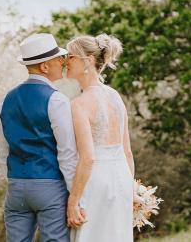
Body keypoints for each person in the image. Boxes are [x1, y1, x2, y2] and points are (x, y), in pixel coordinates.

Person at [0, 33, 86, 242]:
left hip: (16, 187)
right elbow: (67, 153)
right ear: (45, 67)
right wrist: (75, 196)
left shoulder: (7, 99)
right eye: (58, 59)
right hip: (50, 186)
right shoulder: (56, 100)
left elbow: (4, 151)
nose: (62, 63)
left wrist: (14, 181)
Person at [66, 33, 134, 242]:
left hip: (96, 181)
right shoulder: (114, 96)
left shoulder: (79, 103)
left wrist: (73, 202)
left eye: (70, 57)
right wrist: (131, 188)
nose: (65, 61)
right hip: (122, 177)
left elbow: (88, 158)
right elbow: (127, 152)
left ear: (87, 61)